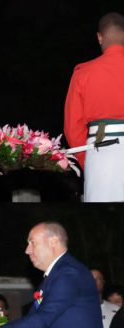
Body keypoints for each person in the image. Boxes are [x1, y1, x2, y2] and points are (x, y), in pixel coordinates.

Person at [63, 12, 124, 202]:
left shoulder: (84, 73)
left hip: (101, 153)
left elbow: (72, 128)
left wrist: (86, 159)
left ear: (99, 37)